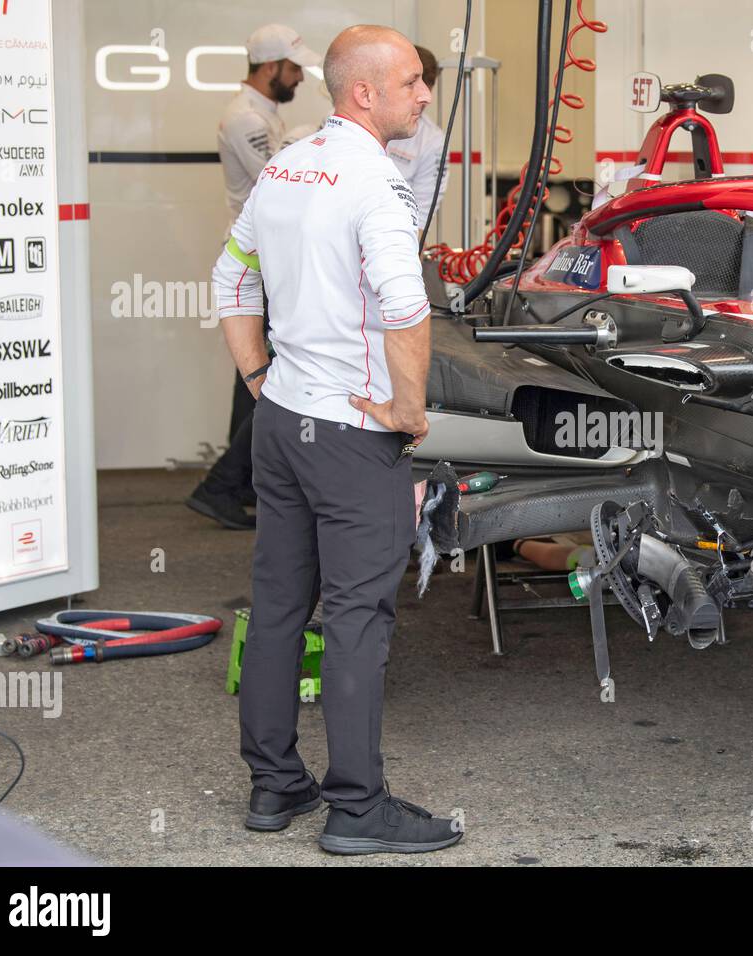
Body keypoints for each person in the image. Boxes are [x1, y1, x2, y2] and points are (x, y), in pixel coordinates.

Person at [211, 24, 461, 854]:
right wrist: (409, 411)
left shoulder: (285, 166)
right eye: (412, 84)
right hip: (352, 435)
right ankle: (357, 809)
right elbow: (405, 306)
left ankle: (274, 787)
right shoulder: (373, 184)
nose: (425, 96)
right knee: (358, 617)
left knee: (281, 608)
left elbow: (230, 275)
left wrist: (257, 379)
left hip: (281, 425)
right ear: (364, 93)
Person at [188, 24, 319, 530]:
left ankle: (235, 483)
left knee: (253, 376)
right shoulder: (246, 119)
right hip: (261, 258)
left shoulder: (263, 114)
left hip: (265, 256)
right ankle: (220, 484)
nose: (300, 79)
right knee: (271, 374)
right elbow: (281, 185)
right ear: (270, 68)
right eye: (293, 69)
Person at [386, 45, 449, 228]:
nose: (423, 99)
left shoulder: (432, 140)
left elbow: (420, 218)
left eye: (426, 90)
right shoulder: (358, 118)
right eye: (410, 87)